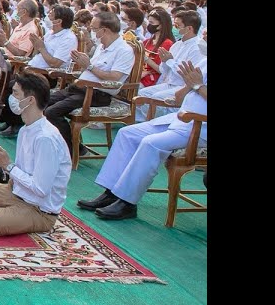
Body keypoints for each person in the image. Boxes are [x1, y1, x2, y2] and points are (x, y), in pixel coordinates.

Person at [78, 59, 207, 220]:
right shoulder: (203, 61)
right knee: (127, 134)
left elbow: (199, 88)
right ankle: (111, 193)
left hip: (200, 127)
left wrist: (199, 86)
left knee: (151, 143)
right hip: (180, 120)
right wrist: (189, 85)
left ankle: (127, 202)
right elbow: (179, 99)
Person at [0, 73, 71, 235]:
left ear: (30, 100)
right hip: (15, 192)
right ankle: (6, 209)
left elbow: (41, 189)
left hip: (39, 209)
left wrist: (7, 165)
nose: (11, 98)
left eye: (16, 93)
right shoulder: (25, 129)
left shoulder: (46, 138)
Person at [43, 10, 136, 154]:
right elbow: (90, 69)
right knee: (41, 102)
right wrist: (82, 62)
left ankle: (73, 149)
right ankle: (66, 143)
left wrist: (89, 66)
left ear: (104, 30)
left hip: (96, 94)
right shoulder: (101, 46)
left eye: (93, 29)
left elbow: (115, 77)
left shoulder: (124, 50)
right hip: (79, 88)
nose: (90, 31)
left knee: (52, 112)